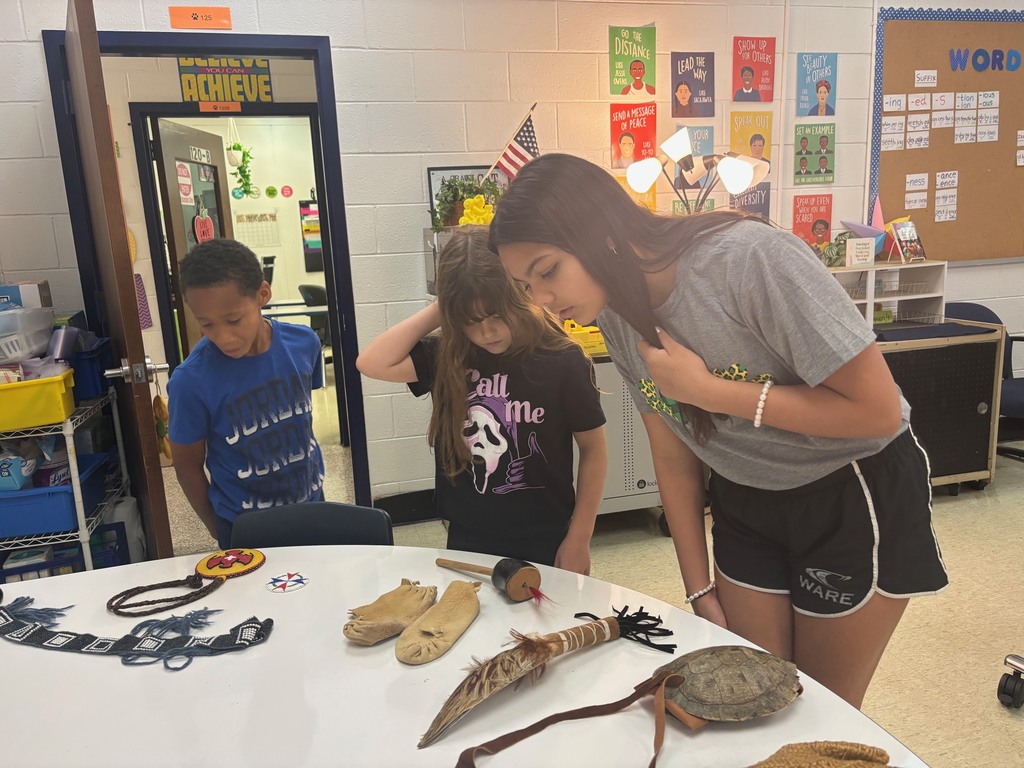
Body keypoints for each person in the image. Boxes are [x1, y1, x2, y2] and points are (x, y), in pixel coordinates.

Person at [490, 153, 947, 709]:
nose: (543, 300)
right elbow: (672, 453)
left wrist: (711, 392)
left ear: (601, 233)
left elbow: (877, 412)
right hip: (745, 500)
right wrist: (698, 586)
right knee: (748, 701)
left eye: (547, 271)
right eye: (525, 284)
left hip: (851, 494)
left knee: (821, 710)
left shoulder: (748, 260)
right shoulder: (612, 313)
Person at [356, 227, 607, 573]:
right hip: (467, 536)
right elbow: (370, 362)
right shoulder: (448, 354)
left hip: (546, 534)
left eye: (496, 315)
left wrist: (579, 538)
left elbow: (594, 449)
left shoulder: (561, 358)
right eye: (471, 321)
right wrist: (447, 303)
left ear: (520, 295)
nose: (487, 332)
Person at [168, 239, 326, 549]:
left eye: (233, 320)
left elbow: (300, 418)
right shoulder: (190, 381)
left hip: (313, 506)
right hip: (244, 525)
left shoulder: (304, 343)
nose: (223, 337)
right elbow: (186, 465)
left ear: (262, 295)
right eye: (207, 325)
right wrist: (216, 526)